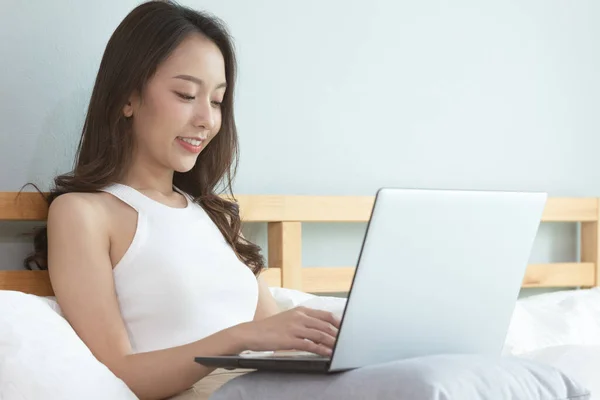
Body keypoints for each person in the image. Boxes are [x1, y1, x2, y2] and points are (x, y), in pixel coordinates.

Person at [23, 1, 340, 399]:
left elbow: (276, 340)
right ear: (128, 97)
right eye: (186, 94)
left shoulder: (212, 215)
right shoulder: (83, 213)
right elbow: (118, 373)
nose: (206, 119)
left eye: (217, 100)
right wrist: (238, 338)